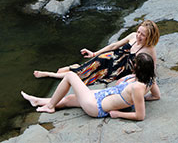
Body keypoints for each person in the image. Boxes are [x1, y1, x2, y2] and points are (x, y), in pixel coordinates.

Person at [21, 53, 160, 120]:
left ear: (140, 68)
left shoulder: (138, 88)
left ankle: (50, 107)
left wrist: (118, 114)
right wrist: (139, 99)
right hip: (102, 96)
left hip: (97, 106)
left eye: (135, 64)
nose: (132, 65)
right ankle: (38, 101)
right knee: (69, 99)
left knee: (70, 76)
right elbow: (156, 96)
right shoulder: (149, 78)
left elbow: (140, 116)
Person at [33, 20, 160, 86]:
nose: (138, 36)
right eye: (138, 32)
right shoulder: (132, 36)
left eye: (143, 35)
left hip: (120, 69)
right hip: (112, 57)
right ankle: (75, 68)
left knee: (86, 77)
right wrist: (94, 53)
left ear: (150, 37)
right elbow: (114, 45)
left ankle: (49, 74)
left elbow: (151, 69)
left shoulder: (149, 50)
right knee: (95, 63)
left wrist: (134, 78)